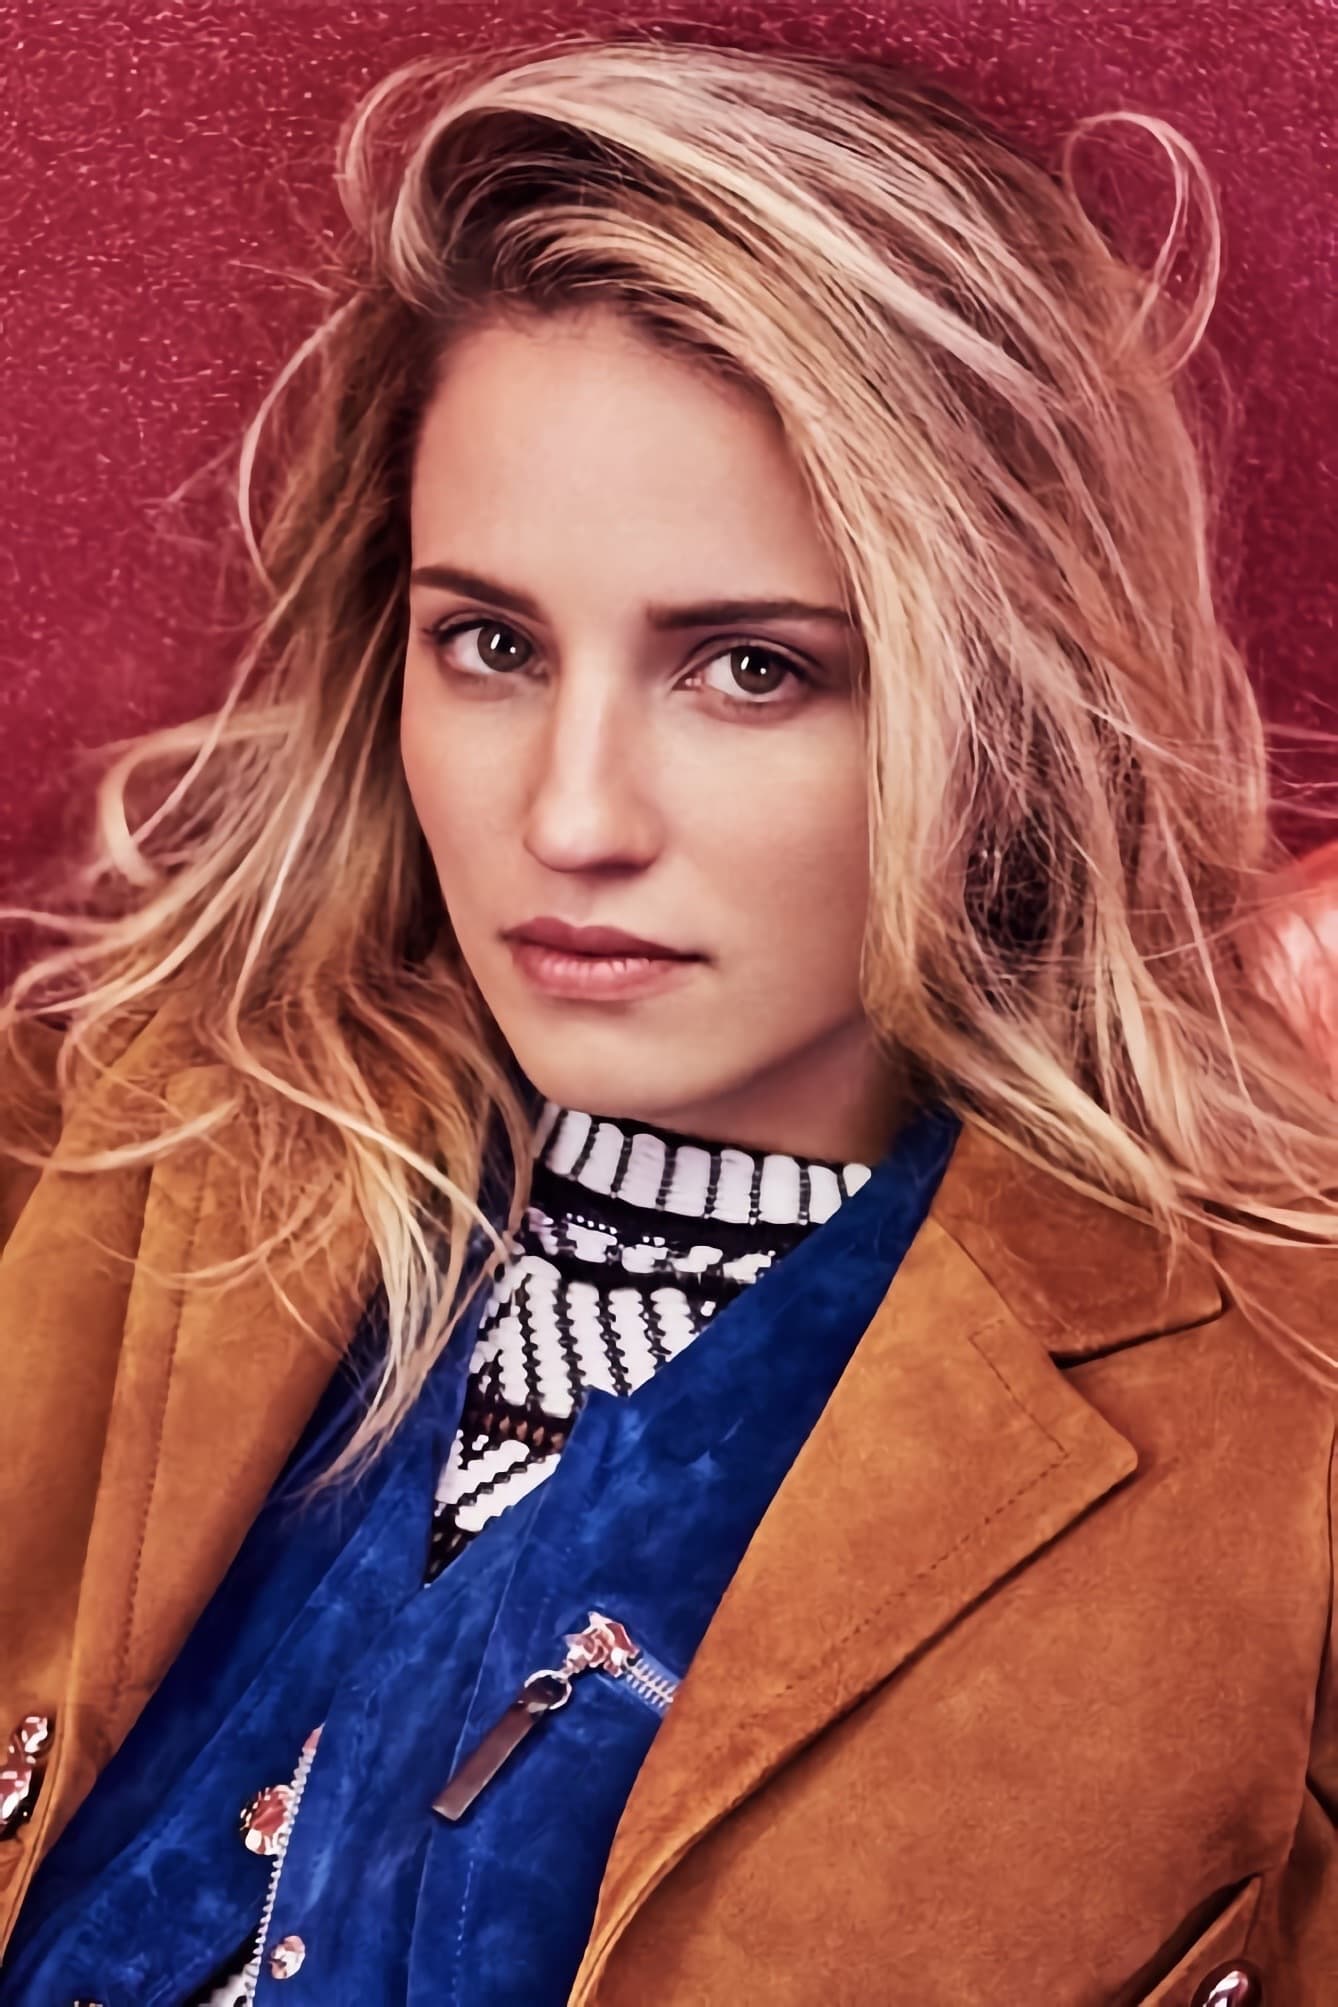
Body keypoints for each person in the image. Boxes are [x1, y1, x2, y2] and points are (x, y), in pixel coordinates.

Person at [0, 31, 1336, 2006]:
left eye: (749, 669)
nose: (571, 818)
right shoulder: (95, 1167)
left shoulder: (1274, 1460)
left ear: (1002, 700)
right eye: (490, 643)